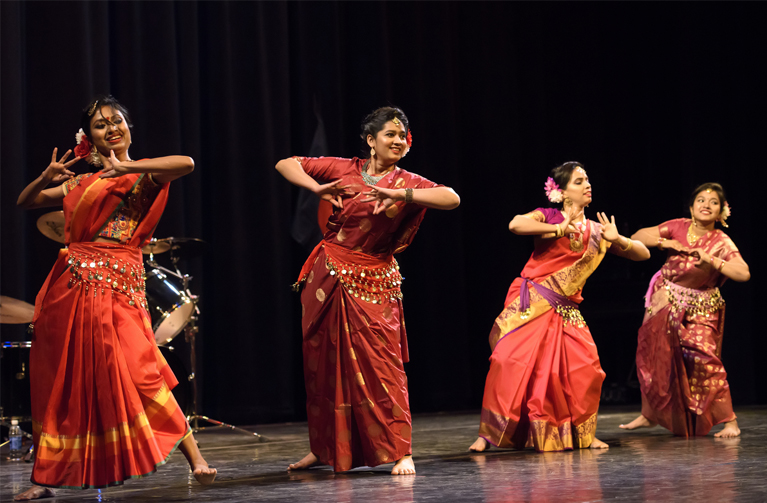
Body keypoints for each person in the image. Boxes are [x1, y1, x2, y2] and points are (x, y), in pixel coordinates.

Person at [14, 96, 216, 500]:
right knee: (63, 378)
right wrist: (45, 176)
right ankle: (45, 479)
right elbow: (27, 201)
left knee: (142, 368)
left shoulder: (146, 176)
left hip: (118, 283)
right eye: (100, 125)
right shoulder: (80, 183)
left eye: (117, 121)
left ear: (128, 127)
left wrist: (128, 167)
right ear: (89, 137)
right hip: (70, 286)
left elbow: (187, 163)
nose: (111, 128)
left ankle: (195, 457)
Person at [275, 107, 460, 475]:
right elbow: (286, 162)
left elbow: (451, 197)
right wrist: (315, 187)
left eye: (403, 135)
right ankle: (323, 448)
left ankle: (399, 449)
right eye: (390, 134)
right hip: (327, 276)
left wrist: (404, 195)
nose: (398, 140)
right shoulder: (343, 169)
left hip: (373, 282)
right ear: (370, 140)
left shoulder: (408, 181)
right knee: (321, 366)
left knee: (383, 366)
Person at [469, 162, 650, 453]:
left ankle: (585, 434)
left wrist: (621, 242)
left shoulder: (596, 230)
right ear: (562, 192)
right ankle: (489, 433)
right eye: (579, 181)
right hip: (532, 302)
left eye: (587, 179)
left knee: (586, 369)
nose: (587, 184)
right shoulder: (548, 216)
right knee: (507, 362)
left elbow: (644, 253)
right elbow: (516, 224)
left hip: (566, 309)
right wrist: (557, 229)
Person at [619, 183, 749, 438]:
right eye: (701, 200)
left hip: (701, 307)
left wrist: (711, 260)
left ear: (721, 212)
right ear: (691, 207)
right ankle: (649, 415)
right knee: (653, 356)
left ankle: (730, 420)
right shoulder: (677, 226)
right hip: (664, 298)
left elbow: (743, 273)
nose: (706, 205)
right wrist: (664, 242)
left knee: (705, 360)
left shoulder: (721, 241)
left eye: (713, 202)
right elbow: (637, 236)